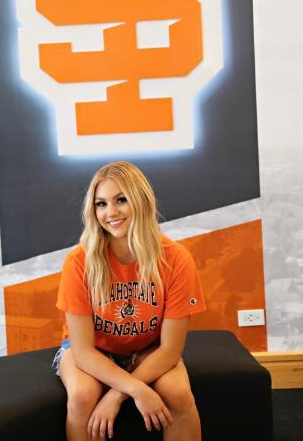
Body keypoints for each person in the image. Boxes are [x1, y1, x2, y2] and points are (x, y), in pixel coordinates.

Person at [53, 161, 206, 440]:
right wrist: (136, 389)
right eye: (101, 204)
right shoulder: (79, 262)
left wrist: (115, 396)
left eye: (121, 200)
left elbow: (171, 349)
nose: (110, 212)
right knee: (82, 397)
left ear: (141, 201)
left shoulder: (176, 259)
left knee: (179, 394)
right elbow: (83, 351)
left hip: (149, 348)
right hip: (92, 353)